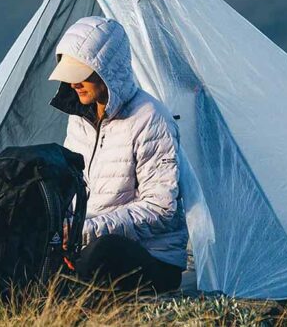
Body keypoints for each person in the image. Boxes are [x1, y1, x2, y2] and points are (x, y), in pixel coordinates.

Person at [48, 16, 188, 293]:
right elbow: (72, 188)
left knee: (102, 252)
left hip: (152, 257)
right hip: (83, 247)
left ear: (108, 70)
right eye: (69, 74)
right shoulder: (78, 119)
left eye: (81, 74)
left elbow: (161, 209)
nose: (74, 84)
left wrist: (84, 231)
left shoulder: (150, 118)